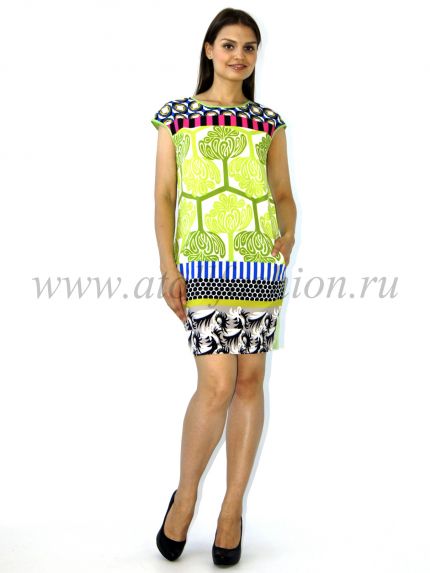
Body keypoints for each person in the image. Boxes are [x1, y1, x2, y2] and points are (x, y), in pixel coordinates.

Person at [150, 7, 297, 566]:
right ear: (209, 49)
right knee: (215, 385)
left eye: (249, 47)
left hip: (258, 262)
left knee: (250, 381)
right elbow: (165, 196)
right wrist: (169, 267)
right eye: (229, 45)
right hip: (204, 260)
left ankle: (232, 509)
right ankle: (186, 496)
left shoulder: (269, 123)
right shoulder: (176, 117)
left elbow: (283, 193)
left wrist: (288, 232)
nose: (239, 55)